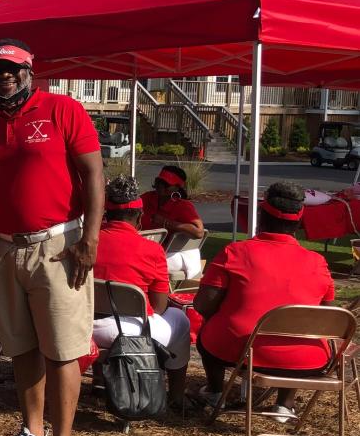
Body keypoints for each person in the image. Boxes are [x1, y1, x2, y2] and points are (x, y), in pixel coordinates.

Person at [0, 39, 103, 436]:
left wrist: (90, 240)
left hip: (57, 245)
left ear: (28, 71)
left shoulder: (62, 109)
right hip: (4, 246)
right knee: (21, 345)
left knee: (62, 349)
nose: (4, 75)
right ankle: (32, 434)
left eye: (11, 68)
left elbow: (93, 174)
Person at [194, 181, 335, 420]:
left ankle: (216, 391)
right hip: (307, 358)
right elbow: (326, 315)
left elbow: (202, 304)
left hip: (239, 349)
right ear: (298, 223)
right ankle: (284, 404)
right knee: (300, 331)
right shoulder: (317, 262)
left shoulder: (235, 252)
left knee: (207, 331)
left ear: (260, 216)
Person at [92, 175, 192, 406]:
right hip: (130, 335)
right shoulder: (152, 249)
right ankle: (176, 396)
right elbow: (158, 307)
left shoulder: (86, 242)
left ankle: (99, 382)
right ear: (139, 217)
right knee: (179, 318)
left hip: (82, 327)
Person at [140, 164, 205, 278]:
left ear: (177, 188)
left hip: (167, 255)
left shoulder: (183, 206)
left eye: (166, 184)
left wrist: (166, 222)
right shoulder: (147, 198)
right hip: (144, 250)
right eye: (159, 182)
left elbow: (199, 232)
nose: (161, 186)